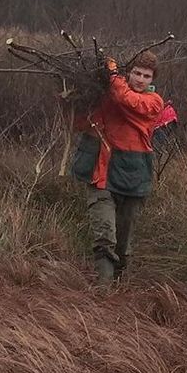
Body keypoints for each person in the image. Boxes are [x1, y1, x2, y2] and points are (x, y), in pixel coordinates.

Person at [70, 51, 164, 284]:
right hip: (101, 175)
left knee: (123, 242)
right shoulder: (108, 97)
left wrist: (112, 73)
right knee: (105, 236)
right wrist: (71, 97)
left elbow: (127, 100)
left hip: (134, 179)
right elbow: (77, 123)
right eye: (136, 73)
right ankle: (104, 292)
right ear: (128, 73)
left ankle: (118, 287)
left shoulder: (152, 102)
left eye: (147, 76)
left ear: (152, 80)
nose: (141, 79)